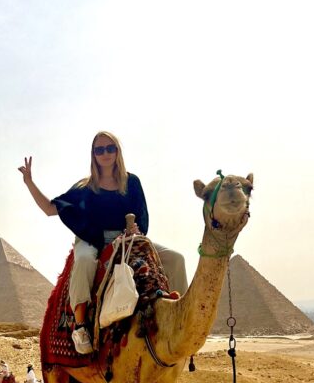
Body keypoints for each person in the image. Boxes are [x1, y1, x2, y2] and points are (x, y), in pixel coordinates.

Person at [18, 132, 187, 354]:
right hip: (92, 239)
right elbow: (50, 209)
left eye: (110, 148)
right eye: (100, 150)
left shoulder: (132, 182)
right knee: (85, 260)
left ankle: (181, 317)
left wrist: (136, 230)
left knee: (176, 258)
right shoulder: (85, 187)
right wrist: (29, 182)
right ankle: (80, 326)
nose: (105, 153)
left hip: (127, 239)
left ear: (118, 151)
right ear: (93, 155)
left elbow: (142, 216)